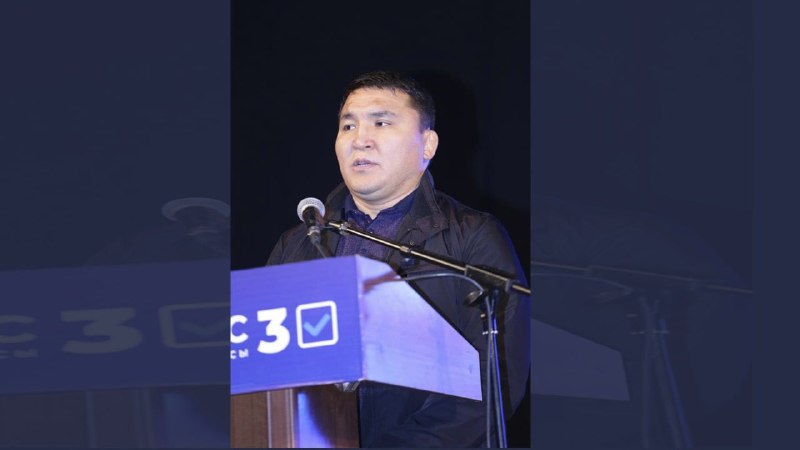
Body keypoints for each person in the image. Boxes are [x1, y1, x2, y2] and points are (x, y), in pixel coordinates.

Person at [266, 70, 530, 447]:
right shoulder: (298, 243)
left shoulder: (471, 237)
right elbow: (265, 369)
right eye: (348, 126)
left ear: (428, 145)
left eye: (381, 122)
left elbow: (494, 383)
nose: (360, 140)